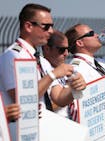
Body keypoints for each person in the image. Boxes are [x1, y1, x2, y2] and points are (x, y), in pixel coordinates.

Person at [0, 3, 85, 140]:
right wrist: (53, 75)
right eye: (46, 26)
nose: (51, 31)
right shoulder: (11, 56)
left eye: (51, 26)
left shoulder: (41, 61)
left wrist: (74, 88)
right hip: (20, 133)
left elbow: (59, 98)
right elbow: (22, 99)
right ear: (28, 26)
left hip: (42, 130)